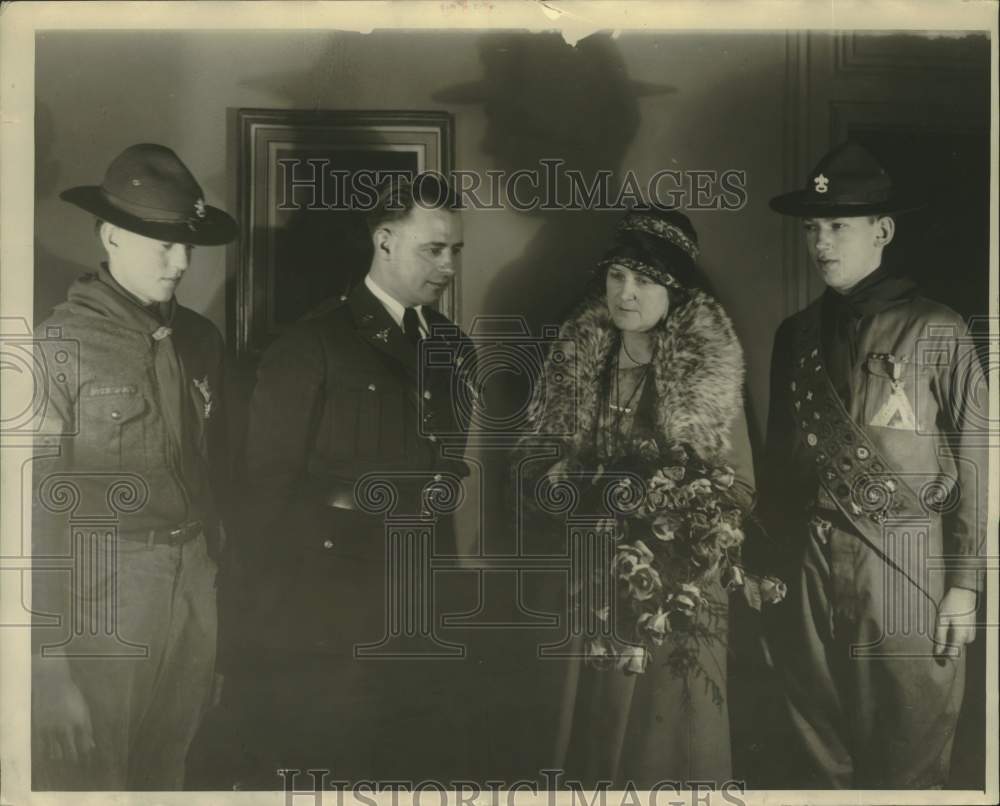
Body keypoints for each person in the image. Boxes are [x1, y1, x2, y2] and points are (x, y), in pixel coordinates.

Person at [228, 174, 476, 787]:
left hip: (421, 599)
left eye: (455, 250)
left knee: (411, 765)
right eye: (433, 249)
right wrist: (261, 624)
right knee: (329, 766)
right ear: (384, 240)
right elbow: (265, 494)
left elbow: (447, 466)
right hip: (328, 607)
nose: (448, 265)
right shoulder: (313, 344)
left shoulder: (454, 348)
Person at [762, 141, 985, 788]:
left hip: (904, 561)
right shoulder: (795, 336)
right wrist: (769, 560)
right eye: (812, 228)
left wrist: (966, 583)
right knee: (816, 751)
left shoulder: (937, 329)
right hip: (808, 563)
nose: (821, 242)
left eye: (838, 226)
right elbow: (778, 463)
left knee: (909, 748)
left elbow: (980, 460)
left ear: (882, 231)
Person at [31, 143, 238, 789]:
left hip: (193, 584)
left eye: (188, 245)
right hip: (104, 595)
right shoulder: (58, 345)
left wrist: (210, 611)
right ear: (111, 235)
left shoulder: (201, 339)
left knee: (166, 773)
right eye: (163, 244)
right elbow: (31, 515)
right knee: (94, 781)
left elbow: (216, 474)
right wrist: (46, 666)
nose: (181, 263)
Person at [528, 207, 755, 787]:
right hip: (588, 579)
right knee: (588, 737)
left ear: (675, 290)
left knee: (663, 747)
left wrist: (661, 519)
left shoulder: (707, 373)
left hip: (673, 584)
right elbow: (535, 466)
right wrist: (559, 483)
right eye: (617, 276)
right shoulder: (579, 360)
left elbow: (738, 490)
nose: (626, 293)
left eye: (645, 280)